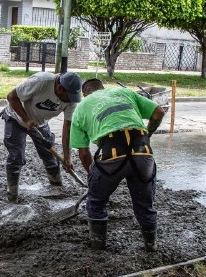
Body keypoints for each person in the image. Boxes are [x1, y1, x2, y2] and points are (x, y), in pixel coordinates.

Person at [69, 79, 165, 251]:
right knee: (145, 204)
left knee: (97, 201)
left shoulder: (82, 107)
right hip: (142, 152)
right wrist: (148, 134)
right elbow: (158, 112)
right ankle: (151, 245)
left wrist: (94, 178)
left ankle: (98, 245)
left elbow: (84, 154)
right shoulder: (125, 93)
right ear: (102, 88)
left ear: (85, 94)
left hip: (111, 155)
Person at [0, 71, 83, 202]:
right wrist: (26, 120)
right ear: (60, 87)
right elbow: (11, 97)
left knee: (49, 154)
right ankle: (12, 194)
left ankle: (56, 187)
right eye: (69, 96)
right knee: (16, 155)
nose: (71, 100)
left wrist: (67, 157)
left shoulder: (72, 99)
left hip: (39, 123)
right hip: (15, 118)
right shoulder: (41, 82)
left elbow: (67, 128)